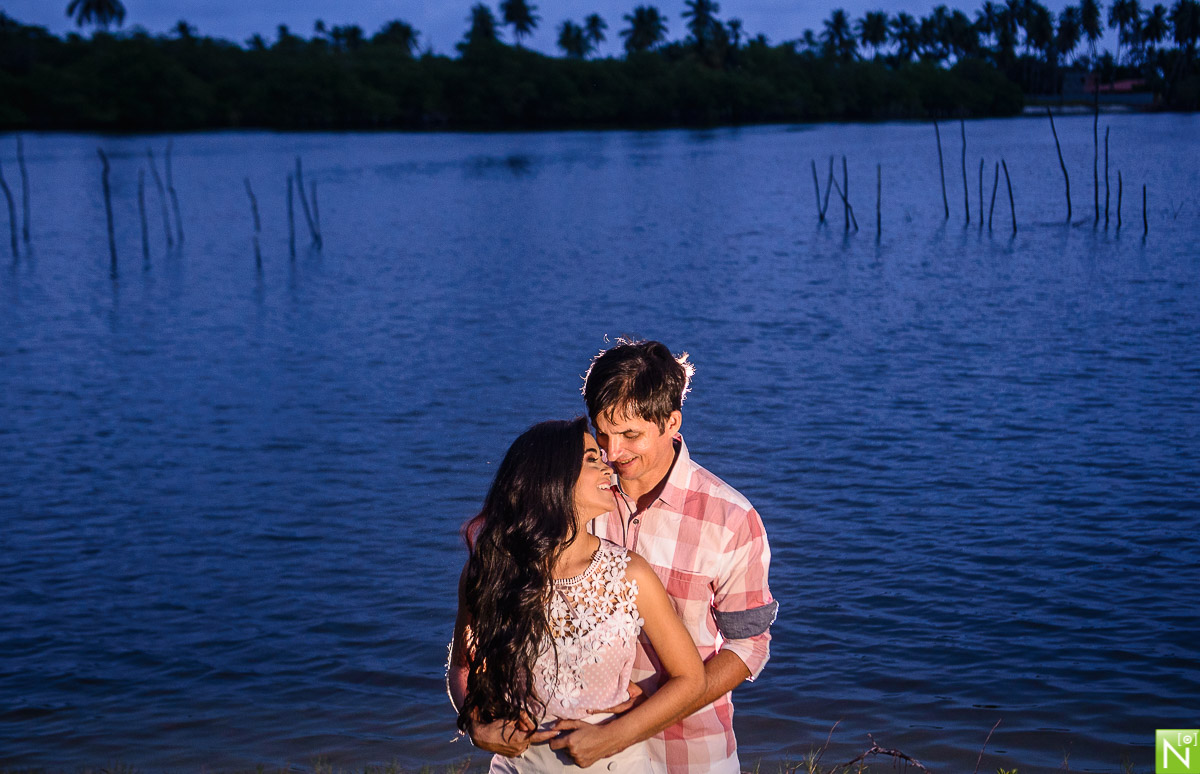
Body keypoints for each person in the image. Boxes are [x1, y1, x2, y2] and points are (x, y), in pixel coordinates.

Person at [561, 339, 779, 774]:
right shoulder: (571, 500)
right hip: (578, 748)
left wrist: (653, 710)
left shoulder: (732, 519)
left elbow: (748, 647)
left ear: (671, 422)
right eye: (601, 433)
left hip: (689, 754)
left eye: (630, 435)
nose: (612, 452)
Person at [447, 418, 705, 772]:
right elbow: (463, 666)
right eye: (591, 459)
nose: (608, 466)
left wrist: (612, 738)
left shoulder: (630, 574)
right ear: (551, 478)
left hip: (614, 764)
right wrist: (476, 723)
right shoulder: (490, 571)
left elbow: (691, 680)